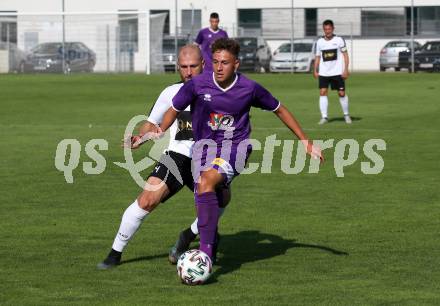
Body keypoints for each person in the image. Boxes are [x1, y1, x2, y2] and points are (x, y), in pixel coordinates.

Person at [156, 38, 323, 260]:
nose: (219, 67)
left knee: (206, 182)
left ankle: (204, 255)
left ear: (236, 64)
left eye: (225, 62)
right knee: (209, 197)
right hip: (203, 151)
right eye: (215, 62)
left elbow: (280, 109)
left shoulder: (249, 88)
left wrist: (305, 141)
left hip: (236, 149)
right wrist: (159, 130)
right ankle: (204, 242)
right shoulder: (197, 84)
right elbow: (174, 109)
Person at [97, 45, 230, 269]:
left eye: (193, 67)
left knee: (221, 201)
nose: (188, 72)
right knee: (148, 199)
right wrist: (142, 136)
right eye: (184, 67)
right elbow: (151, 122)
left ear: (203, 65)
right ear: (178, 67)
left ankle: (188, 236)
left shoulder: (218, 92)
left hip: (208, 158)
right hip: (178, 155)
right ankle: (114, 253)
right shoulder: (170, 93)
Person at [313, 19, 352, 125]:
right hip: (324, 73)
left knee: (341, 93)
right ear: (323, 29)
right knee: (322, 92)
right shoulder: (319, 42)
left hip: (337, 72)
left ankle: (346, 115)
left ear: (333, 29)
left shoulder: (339, 40)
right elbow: (317, 57)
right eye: (325, 29)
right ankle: (324, 117)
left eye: (329, 29)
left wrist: (346, 69)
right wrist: (315, 70)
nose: (327, 31)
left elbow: (345, 55)